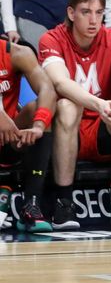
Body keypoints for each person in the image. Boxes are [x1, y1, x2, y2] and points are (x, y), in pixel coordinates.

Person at [39, 0, 111, 230]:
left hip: (103, 128)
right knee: (67, 106)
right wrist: (98, 103)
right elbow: (60, 82)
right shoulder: (51, 38)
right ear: (70, 13)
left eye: (99, 13)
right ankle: (63, 202)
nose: (93, 20)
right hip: (68, 129)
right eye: (86, 12)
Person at [0, 36, 57, 232]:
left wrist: (39, 125)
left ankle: (31, 205)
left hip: (9, 138)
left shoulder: (17, 53)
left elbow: (47, 89)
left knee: (38, 109)